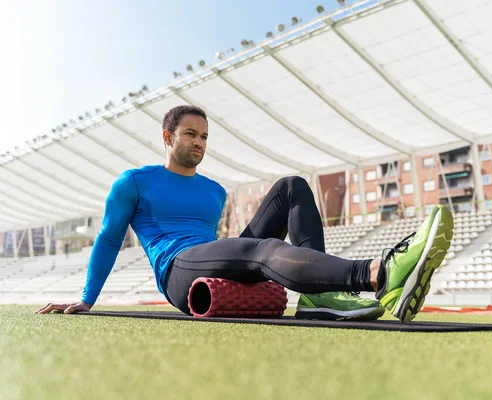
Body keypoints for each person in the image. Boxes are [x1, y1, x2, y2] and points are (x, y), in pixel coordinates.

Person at [35, 105, 454, 322]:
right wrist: (87, 299)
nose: (199, 142)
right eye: (190, 134)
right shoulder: (134, 181)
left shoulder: (214, 191)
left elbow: (224, 244)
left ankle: (318, 298)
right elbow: (109, 238)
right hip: (179, 271)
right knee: (262, 250)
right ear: (167, 137)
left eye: (204, 136)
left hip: (213, 253)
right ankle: (378, 273)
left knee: (292, 186)